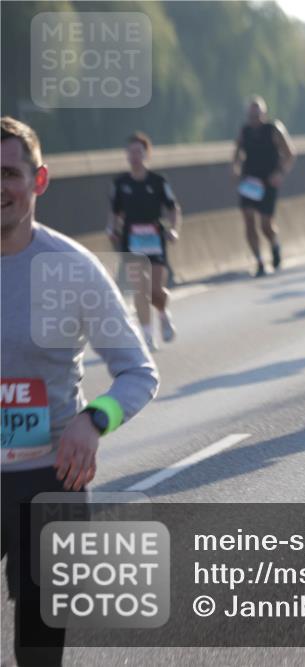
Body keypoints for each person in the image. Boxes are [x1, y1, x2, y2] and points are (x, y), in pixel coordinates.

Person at [1, 116, 159, 667]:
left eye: (10, 173)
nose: (1, 187)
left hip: (51, 482)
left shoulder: (71, 268)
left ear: (38, 181)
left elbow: (138, 371)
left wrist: (93, 420)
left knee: (39, 652)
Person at [107, 131, 182, 351]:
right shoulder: (120, 183)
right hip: (131, 240)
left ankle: (162, 313)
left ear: (146, 154)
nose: (134, 156)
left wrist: (174, 230)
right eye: (130, 152)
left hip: (155, 239)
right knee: (139, 288)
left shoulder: (158, 181)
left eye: (138, 152)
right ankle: (148, 336)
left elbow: (173, 209)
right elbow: (113, 212)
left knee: (155, 290)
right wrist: (111, 228)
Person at [232, 95, 296, 277]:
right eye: (251, 115)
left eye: (258, 114)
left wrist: (280, 173)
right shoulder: (244, 132)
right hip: (249, 182)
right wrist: (235, 170)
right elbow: (236, 155)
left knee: (266, 225)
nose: (255, 119)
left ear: (264, 114)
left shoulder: (274, 129)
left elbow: (290, 153)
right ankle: (259, 261)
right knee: (248, 219)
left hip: (268, 182)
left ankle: (274, 245)